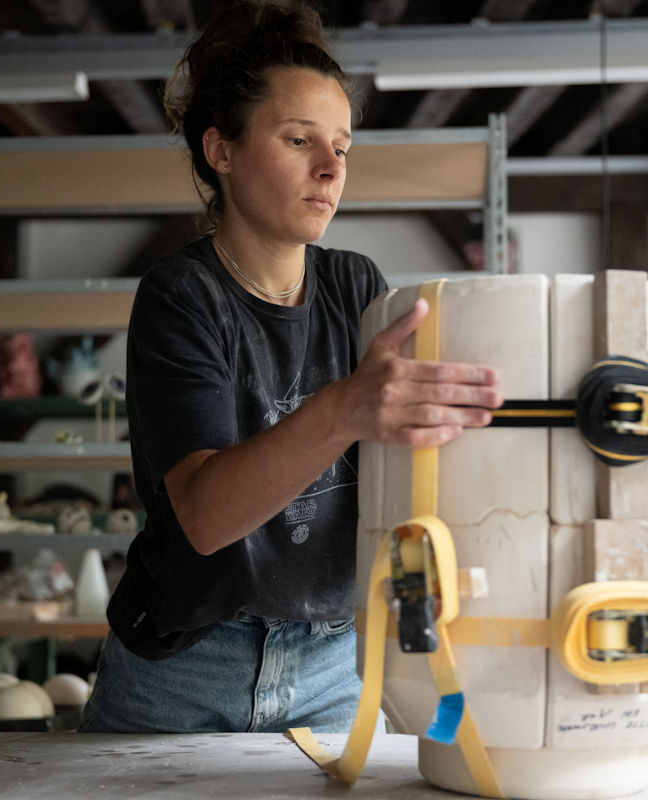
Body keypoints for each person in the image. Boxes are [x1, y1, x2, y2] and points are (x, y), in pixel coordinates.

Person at [79, 0, 500, 734]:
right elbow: (207, 519)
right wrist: (343, 408)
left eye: (341, 145)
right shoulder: (182, 298)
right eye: (300, 139)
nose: (332, 167)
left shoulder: (355, 286)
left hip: (334, 665)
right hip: (185, 669)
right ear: (223, 150)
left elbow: (395, 477)